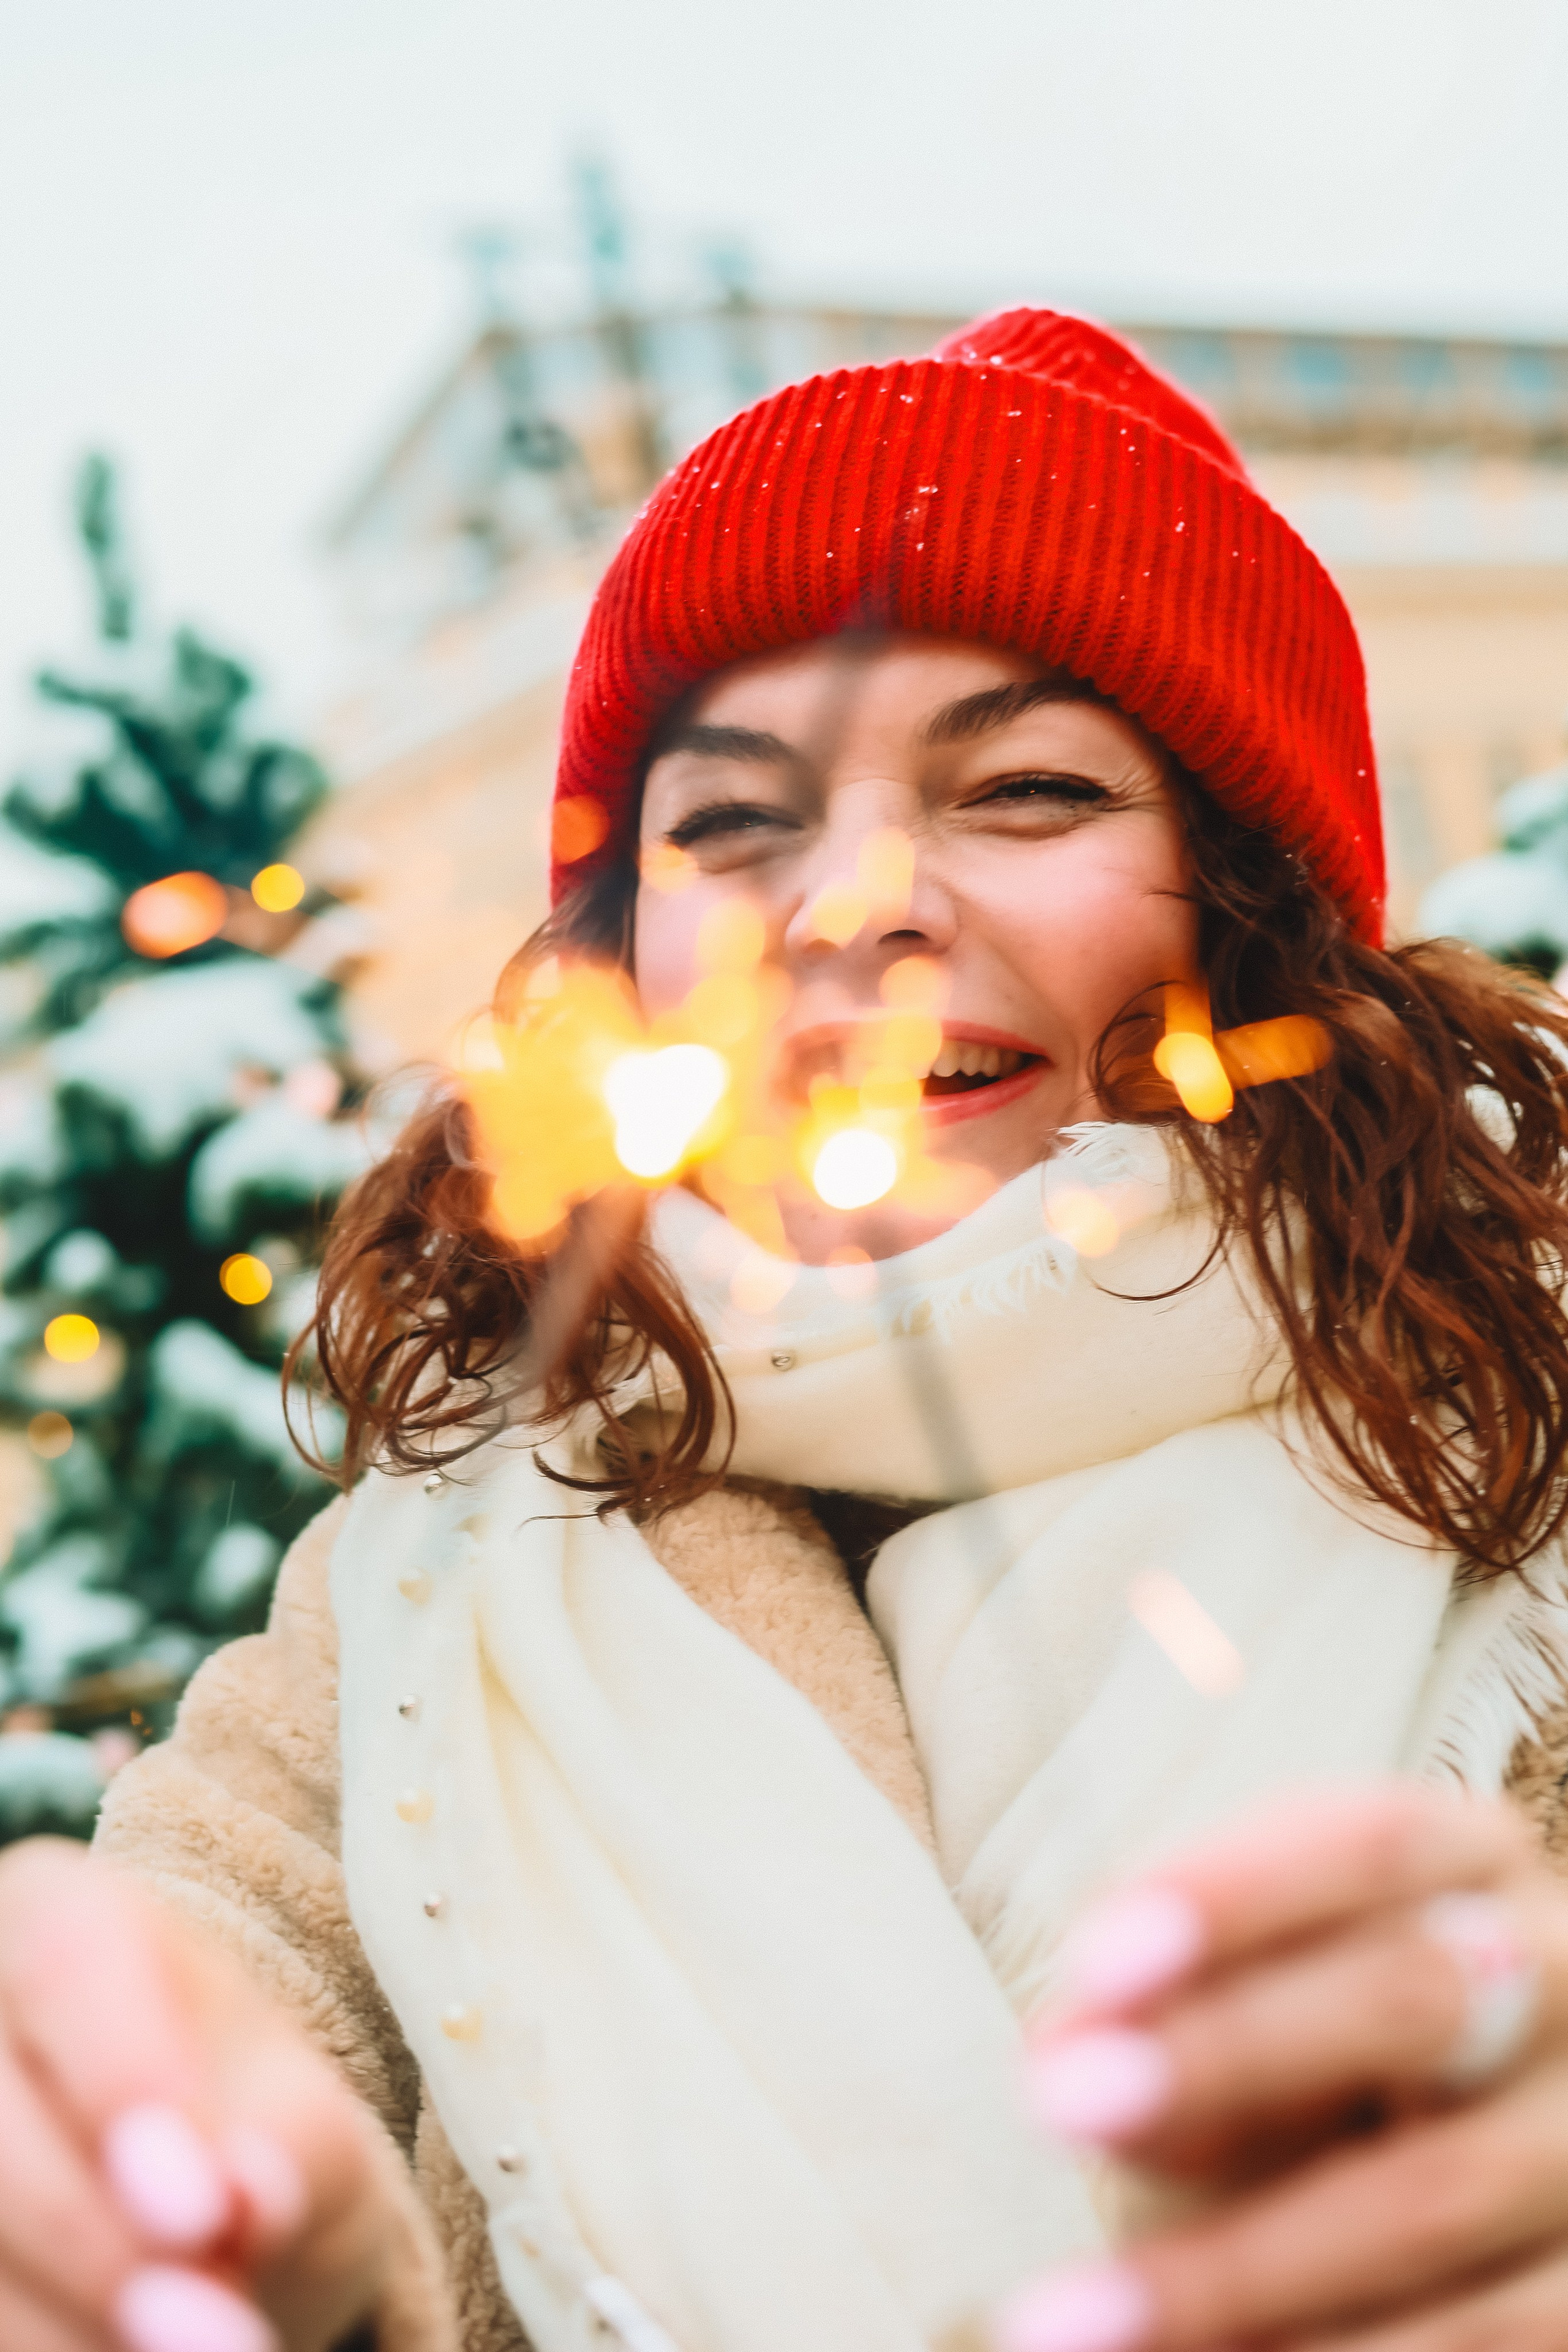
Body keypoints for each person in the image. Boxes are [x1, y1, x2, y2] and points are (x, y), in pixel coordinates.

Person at [5, 311, 1568, 2352]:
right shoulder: (427, 1598)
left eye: (1018, 786)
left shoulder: (1511, 1465)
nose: (846, 905)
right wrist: (130, 2163)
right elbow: (228, 1952)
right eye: (729, 825)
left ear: (1249, 902)